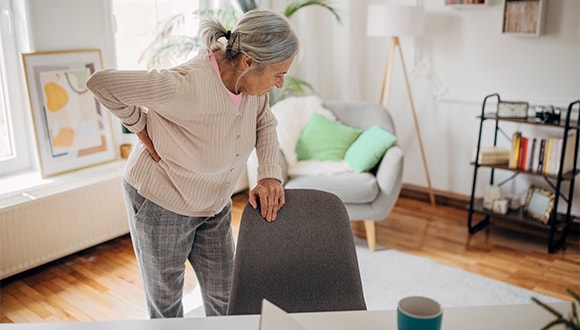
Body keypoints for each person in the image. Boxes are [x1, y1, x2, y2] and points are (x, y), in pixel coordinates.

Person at [86, 9, 300, 318]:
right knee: (167, 305)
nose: (280, 83)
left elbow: (264, 123)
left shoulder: (253, 87)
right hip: (161, 201)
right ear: (249, 61)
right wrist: (140, 126)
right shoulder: (184, 84)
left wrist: (269, 174)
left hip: (213, 205)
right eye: (278, 73)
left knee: (227, 297)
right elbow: (102, 83)